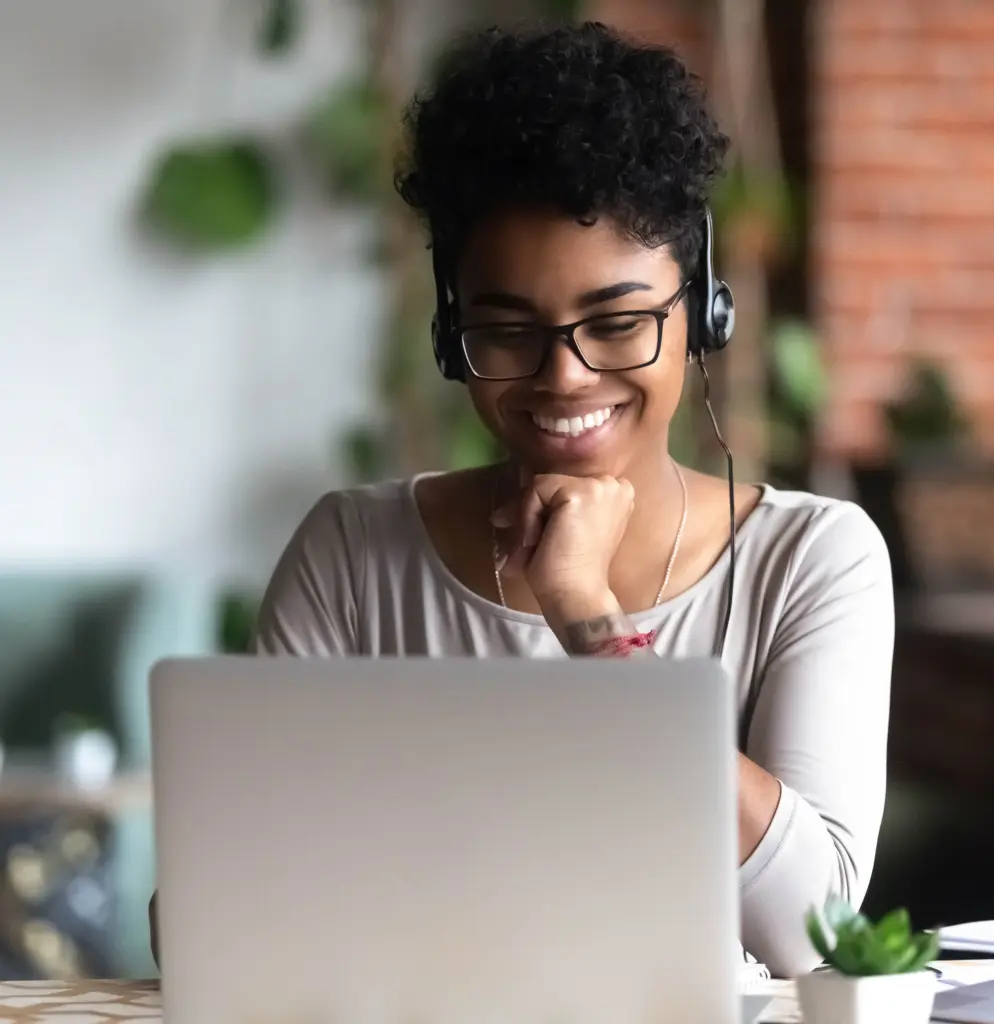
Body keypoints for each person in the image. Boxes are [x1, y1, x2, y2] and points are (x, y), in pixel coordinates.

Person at [154, 21, 893, 979]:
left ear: (702, 313)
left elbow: (813, 932)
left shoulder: (812, 560)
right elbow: (207, 926)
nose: (564, 376)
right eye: (507, 332)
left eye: (617, 322)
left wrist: (588, 616)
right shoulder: (353, 553)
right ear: (449, 332)